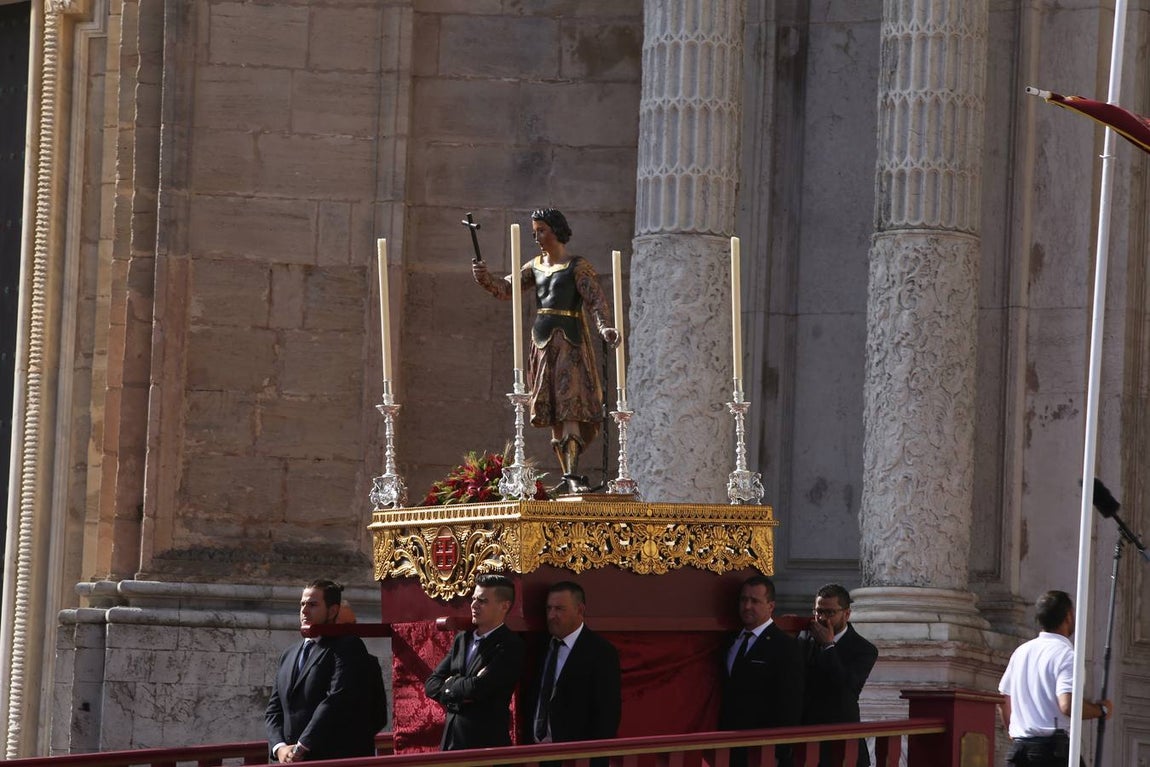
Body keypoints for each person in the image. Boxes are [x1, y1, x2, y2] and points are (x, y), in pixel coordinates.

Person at [473, 208, 618, 492]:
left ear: (556, 230)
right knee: (552, 408)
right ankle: (567, 475)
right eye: (534, 231)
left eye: (542, 230)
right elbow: (506, 289)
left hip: (570, 344)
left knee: (570, 405)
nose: (537, 237)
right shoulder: (535, 266)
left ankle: (573, 475)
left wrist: (605, 327)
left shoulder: (578, 266)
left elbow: (595, 301)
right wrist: (484, 277)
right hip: (542, 344)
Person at [265, 579, 378, 762]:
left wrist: (302, 746)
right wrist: (279, 748)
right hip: (289, 759)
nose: (304, 610)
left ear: (332, 610)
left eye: (313, 605)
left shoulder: (347, 647)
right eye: (302, 604)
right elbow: (273, 709)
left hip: (330, 757)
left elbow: (335, 700)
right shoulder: (289, 654)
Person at [998, 590, 1113, 766]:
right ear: (1068, 616)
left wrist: (1015, 732)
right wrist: (1101, 710)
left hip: (1019, 752)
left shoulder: (1021, 652)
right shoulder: (1066, 655)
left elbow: (1004, 698)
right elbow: (1067, 705)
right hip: (1051, 753)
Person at [425, 573, 526, 750]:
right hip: (450, 742)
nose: (474, 605)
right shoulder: (462, 639)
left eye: (482, 601)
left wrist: (451, 684)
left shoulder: (510, 645)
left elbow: (480, 687)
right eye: (473, 599)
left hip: (485, 745)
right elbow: (431, 684)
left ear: (504, 606)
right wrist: (461, 689)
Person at [718, 575, 805, 767]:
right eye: (743, 600)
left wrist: (779, 752)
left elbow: (790, 705)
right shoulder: (731, 641)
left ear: (770, 606)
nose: (747, 606)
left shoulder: (785, 647)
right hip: (728, 747)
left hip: (762, 751)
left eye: (755, 601)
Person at [529, 581, 622, 753]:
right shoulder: (540, 647)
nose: (551, 615)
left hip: (577, 757)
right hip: (537, 754)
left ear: (580, 610)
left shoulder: (600, 652)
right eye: (549, 608)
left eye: (559, 609)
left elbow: (607, 714)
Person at [799, 584, 879, 767]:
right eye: (818, 611)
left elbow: (847, 687)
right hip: (806, 736)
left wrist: (828, 646)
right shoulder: (804, 637)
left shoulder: (864, 650)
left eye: (829, 613)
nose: (822, 618)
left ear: (847, 614)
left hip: (841, 737)